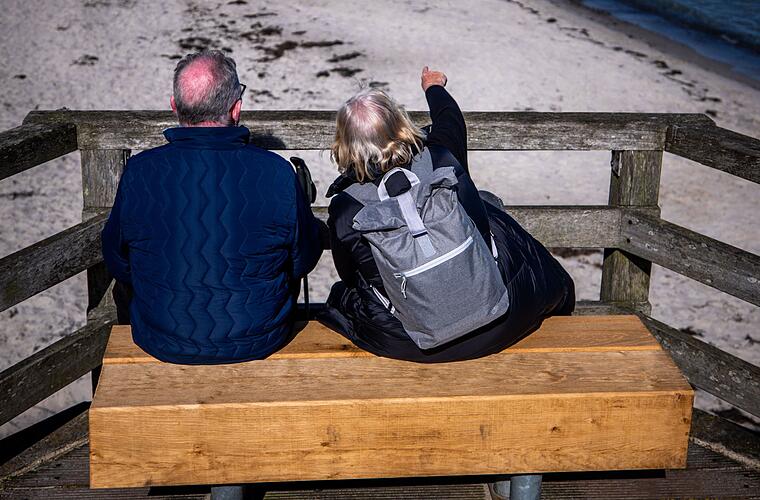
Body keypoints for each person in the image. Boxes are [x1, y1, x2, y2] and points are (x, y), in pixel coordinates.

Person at [320, 67, 575, 363]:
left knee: (342, 297)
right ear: (399, 124)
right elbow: (450, 118)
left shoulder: (345, 207)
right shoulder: (442, 155)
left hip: (418, 344)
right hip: (502, 319)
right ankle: (563, 297)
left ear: (345, 142)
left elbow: (349, 274)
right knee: (494, 216)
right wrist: (433, 86)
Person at [101, 50, 322, 364]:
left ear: (175, 106)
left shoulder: (140, 171)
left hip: (161, 339)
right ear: (236, 108)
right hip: (259, 338)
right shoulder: (276, 172)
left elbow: (117, 259)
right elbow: (303, 259)